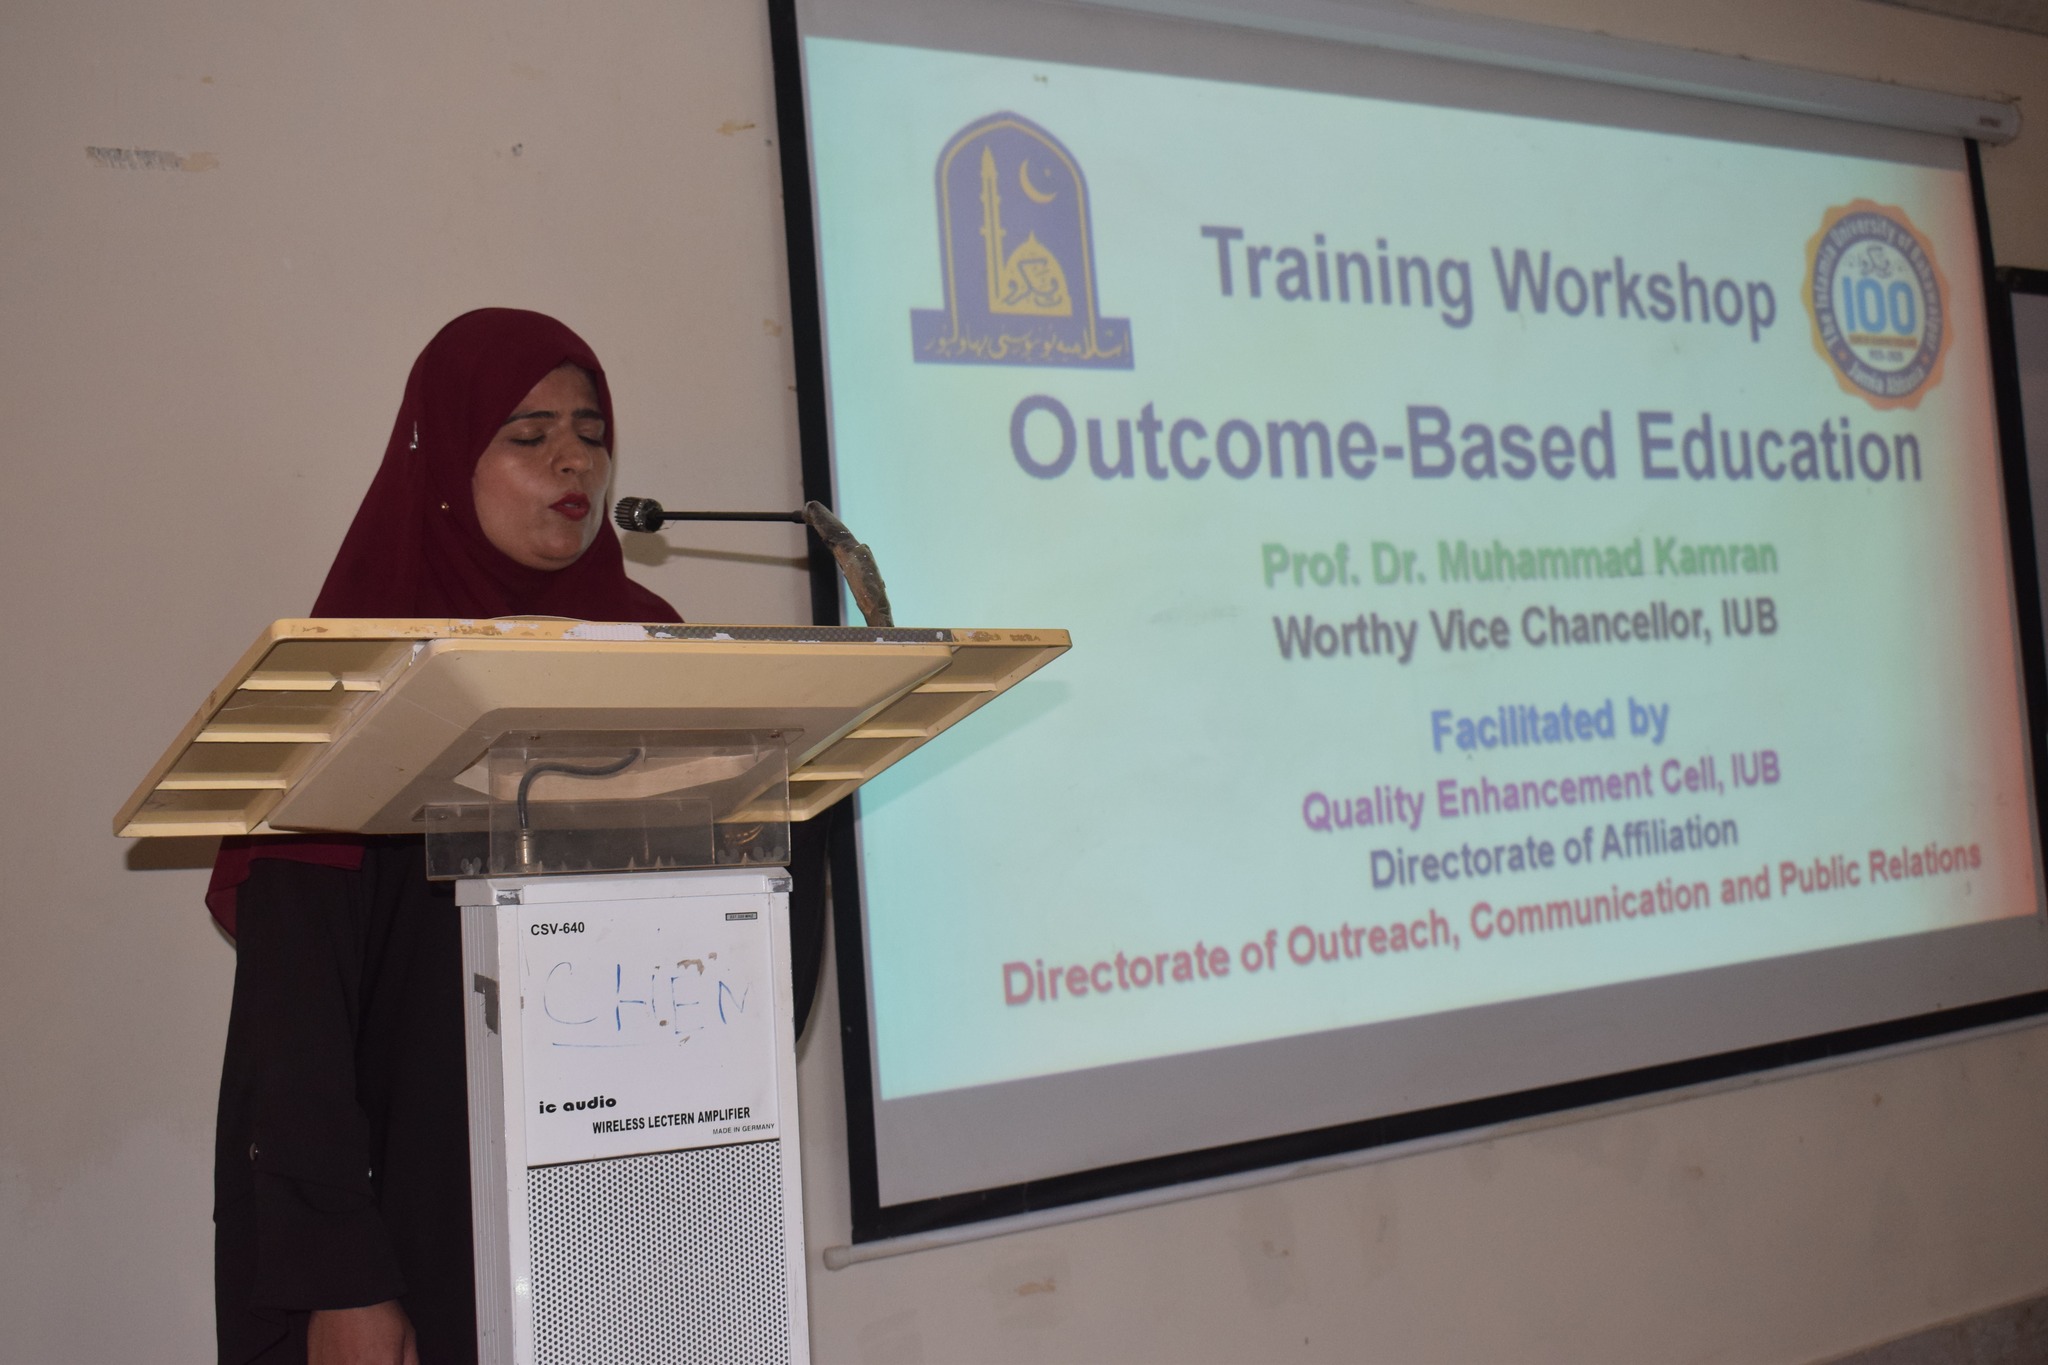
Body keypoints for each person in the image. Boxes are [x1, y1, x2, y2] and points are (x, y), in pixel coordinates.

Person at [209, 309, 682, 1365]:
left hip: (631, 1202)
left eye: (591, 432)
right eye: (528, 434)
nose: (573, 459)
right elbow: (295, 1017)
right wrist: (342, 1279)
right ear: (440, 463)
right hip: (408, 1214)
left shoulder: (659, 655)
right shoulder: (351, 678)